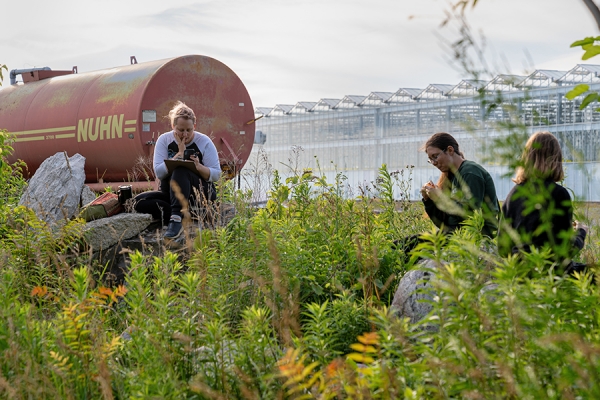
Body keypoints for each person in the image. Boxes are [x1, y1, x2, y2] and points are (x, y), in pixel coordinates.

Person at [498, 131, 589, 275]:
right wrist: (581, 233)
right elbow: (565, 252)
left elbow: (503, 249)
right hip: (550, 276)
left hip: (520, 275)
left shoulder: (512, 195)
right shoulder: (558, 194)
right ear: (555, 159)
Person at [134, 101, 221, 239]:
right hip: (171, 193)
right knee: (138, 202)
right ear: (173, 126)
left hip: (199, 193)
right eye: (181, 130)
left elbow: (216, 174)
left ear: (194, 126)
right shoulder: (164, 140)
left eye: (189, 130)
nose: (185, 135)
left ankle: (175, 218)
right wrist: (178, 156)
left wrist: (198, 167)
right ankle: (185, 215)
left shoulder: (204, 141)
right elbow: (159, 173)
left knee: (181, 170)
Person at [420, 132, 500, 237]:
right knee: (407, 243)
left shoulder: (470, 172)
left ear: (450, 150)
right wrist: (428, 200)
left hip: (478, 236)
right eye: (430, 159)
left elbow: (469, 216)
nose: (434, 162)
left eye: (435, 156)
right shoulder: (452, 177)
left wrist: (441, 198)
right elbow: (445, 224)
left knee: (409, 246)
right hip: (457, 234)